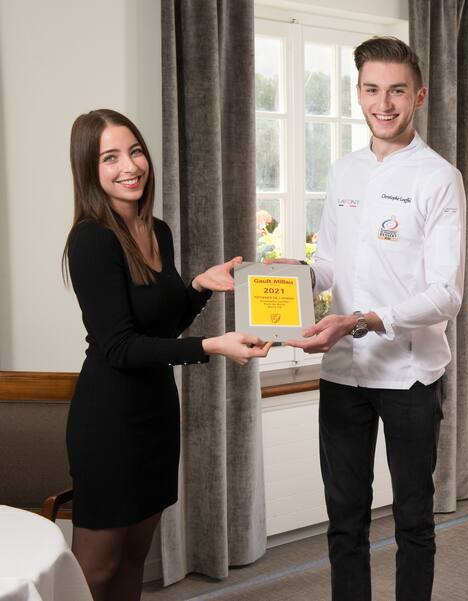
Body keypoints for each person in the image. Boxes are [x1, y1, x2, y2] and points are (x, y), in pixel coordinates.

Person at [278, 37, 465, 601]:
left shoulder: (439, 177)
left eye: (397, 91)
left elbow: (445, 295)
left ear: (420, 96)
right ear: (358, 93)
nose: (384, 103)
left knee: (412, 520)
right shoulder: (344, 173)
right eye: (372, 89)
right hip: (341, 373)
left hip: (409, 375)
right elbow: (332, 263)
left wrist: (359, 320)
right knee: (345, 520)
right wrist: (297, 278)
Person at [62, 109, 271, 601]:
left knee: (135, 556)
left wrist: (199, 286)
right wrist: (212, 346)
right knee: (96, 569)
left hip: (156, 413)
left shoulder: (158, 230)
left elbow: (160, 327)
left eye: (134, 151)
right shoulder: (91, 239)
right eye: (109, 157)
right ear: (89, 171)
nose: (128, 166)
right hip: (109, 421)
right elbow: (119, 346)